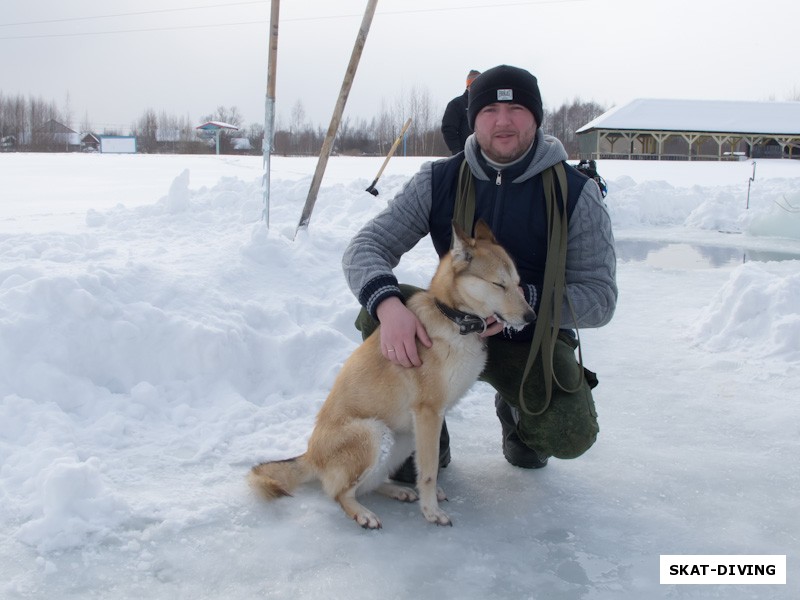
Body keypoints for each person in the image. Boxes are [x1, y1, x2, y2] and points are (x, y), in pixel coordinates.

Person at [342, 64, 617, 482]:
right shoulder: (439, 179)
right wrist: (387, 306)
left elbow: (599, 298)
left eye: (516, 109)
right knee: (376, 313)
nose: (502, 121)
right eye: (489, 109)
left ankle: (520, 420)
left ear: (536, 117)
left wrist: (523, 304)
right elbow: (365, 248)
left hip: (528, 339)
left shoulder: (576, 193)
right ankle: (426, 431)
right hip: (448, 334)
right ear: (473, 119)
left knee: (569, 433)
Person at [440, 69, 481, 155]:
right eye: (476, 84)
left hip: (487, 156)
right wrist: (457, 151)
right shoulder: (457, 104)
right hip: (464, 155)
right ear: (469, 85)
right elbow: (448, 129)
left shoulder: (486, 104)